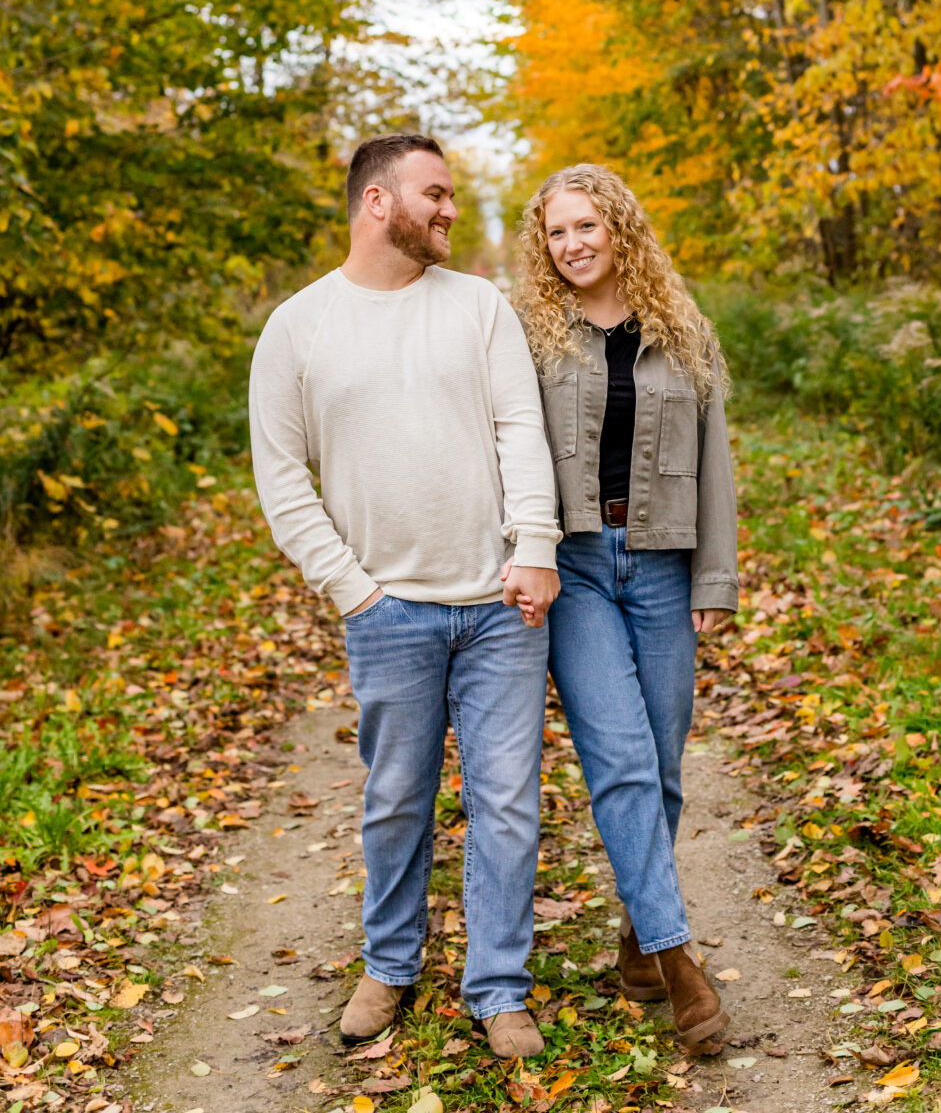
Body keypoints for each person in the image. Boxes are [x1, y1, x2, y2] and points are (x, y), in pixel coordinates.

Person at [248, 132, 561, 1058]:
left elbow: (519, 429)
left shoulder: (479, 306)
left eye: (451, 195)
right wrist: (353, 591)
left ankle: (499, 987)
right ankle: (389, 966)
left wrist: (535, 546)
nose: (448, 210)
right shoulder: (297, 327)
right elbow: (281, 477)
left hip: (503, 607)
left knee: (507, 802)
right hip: (389, 613)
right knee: (395, 799)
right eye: (433, 193)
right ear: (377, 203)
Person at [511, 163, 738, 1055]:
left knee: (666, 764)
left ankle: (639, 940)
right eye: (556, 232)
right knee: (621, 763)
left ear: (620, 231)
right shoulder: (529, 337)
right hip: (573, 568)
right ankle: (680, 962)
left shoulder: (682, 332)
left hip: (661, 565)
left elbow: (715, 461)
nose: (571, 245)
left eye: (585, 227)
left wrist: (714, 580)